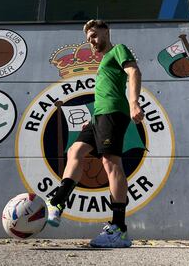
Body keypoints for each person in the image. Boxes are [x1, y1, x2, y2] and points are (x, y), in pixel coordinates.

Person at [46, 19, 144, 248]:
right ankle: (58, 202)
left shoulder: (118, 50)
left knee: (110, 163)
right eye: (89, 39)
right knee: (75, 150)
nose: (92, 41)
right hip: (98, 117)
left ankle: (118, 229)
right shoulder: (102, 65)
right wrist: (91, 120)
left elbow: (134, 72)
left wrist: (134, 103)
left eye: (94, 35)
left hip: (114, 113)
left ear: (106, 31)